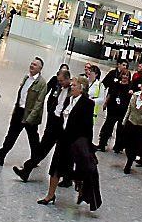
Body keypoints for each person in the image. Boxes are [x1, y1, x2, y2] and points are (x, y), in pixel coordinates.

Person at [37, 75, 97, 207]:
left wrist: (88, 146)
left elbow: (88, 127)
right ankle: (50, 195)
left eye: (74, 85)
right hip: (63, 139)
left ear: (82, 88)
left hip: (76, 142)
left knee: (75, 170)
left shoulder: (87, 104)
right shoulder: (69, 100)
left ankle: (81, 192)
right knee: (55, 168)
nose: (72, 87)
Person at [14, 69, 71, 181]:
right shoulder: (59, 88)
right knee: (42, 149)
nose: (60, 83)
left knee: (64, 155)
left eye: (62, 81)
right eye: (59, 81)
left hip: (63, 125)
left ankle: (67, 179)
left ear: (68, 78)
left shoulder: (72, 90)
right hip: (53, 122)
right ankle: (27, 170)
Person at [0, 57, 46, 166]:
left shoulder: (41, 83)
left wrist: (30, 118)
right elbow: (21, 95)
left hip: (30, 115)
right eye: (31, 63)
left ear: (40, 68)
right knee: (11, 135)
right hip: (19, 111)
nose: (32, 66)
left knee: (33, 139)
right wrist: (15, 109)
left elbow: (39, 103)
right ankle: (1, 156)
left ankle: (34, 160)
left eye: (35, 65)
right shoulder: (26, 78)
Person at [97, 71, 131, 152]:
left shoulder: (130, 86)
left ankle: (118, 147)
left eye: (127, 75)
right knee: (108, 125)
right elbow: (110, 94)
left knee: (120, 129)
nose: (125, 76)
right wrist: (105, 103)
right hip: (112, 108)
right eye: (123, 74)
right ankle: (102, 144)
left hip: (122, 110)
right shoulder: (115, 84)